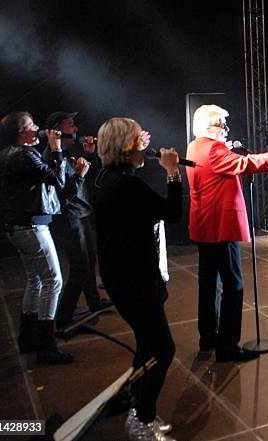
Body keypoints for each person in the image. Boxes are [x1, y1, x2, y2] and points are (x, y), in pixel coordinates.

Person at [186, 104, 268, 362]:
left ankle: (208, 338)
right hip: (221, 227)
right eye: (223, 125)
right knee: (234, 286)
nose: (226, 130)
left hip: (204, 226)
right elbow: (247, 163)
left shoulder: (195, 146)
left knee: (209, 284)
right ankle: (227, 347)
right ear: (211, 128)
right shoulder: (214, 149)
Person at [93, 117, 181, 441]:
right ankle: (141, 420)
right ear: (125, 147)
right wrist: (172, 171)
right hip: (135, 280)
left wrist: (137, 144)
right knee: (163, 349)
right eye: (137, 140)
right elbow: (171, 213)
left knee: (148, 345)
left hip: (122, 276)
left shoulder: (107, 178)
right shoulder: (126, 186)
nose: (144, 144)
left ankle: (136, 404)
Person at [0, 111, 73, 364]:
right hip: (31, 227)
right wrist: (56, 148)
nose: (38, 128)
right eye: (32, 126)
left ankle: (27, 338)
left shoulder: (8, 154)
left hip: (15, 227)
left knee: (35, 280)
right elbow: (58, 180)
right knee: (54, 281)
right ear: (22, 132)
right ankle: (47, 347)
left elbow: (41, 174)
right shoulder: (24, 155)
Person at [43, 111, 113, 327]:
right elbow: (61, 194)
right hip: (69, 218)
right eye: (70, 125)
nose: (75, 129)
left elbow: (85, 180)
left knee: (88, 261)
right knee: (79, 267)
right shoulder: (52, 156)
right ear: (56, 130)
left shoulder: (69, 151)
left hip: (81, 214)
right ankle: (63, 316)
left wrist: (90, 156)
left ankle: (93, 302)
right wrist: (80, 174)